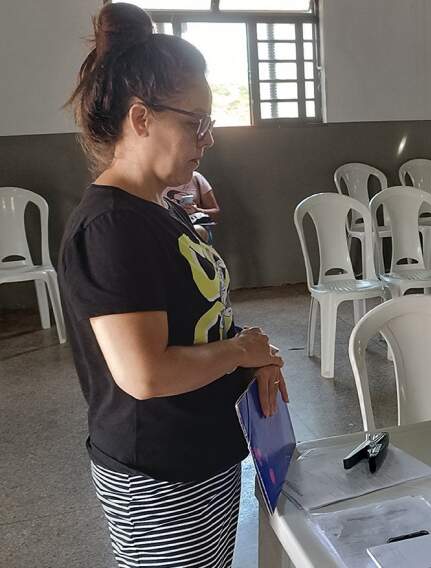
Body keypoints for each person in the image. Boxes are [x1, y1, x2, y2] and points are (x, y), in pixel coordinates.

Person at [59, 4, 287, 567]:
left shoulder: (161, 207)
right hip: (158, 474)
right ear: (141, 118)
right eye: (196, 122)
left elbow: (199, 317)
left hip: (202, 450)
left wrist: (251, 353)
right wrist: (238, 350)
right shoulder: (113, 226)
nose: (207, 139)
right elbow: (146, 372)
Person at [165, 170, 220, 242]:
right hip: (168, 228)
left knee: (198, 230)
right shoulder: (154, 181)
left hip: (196, 228)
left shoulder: (196, 177)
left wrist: (197, 210)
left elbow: (215, 213)